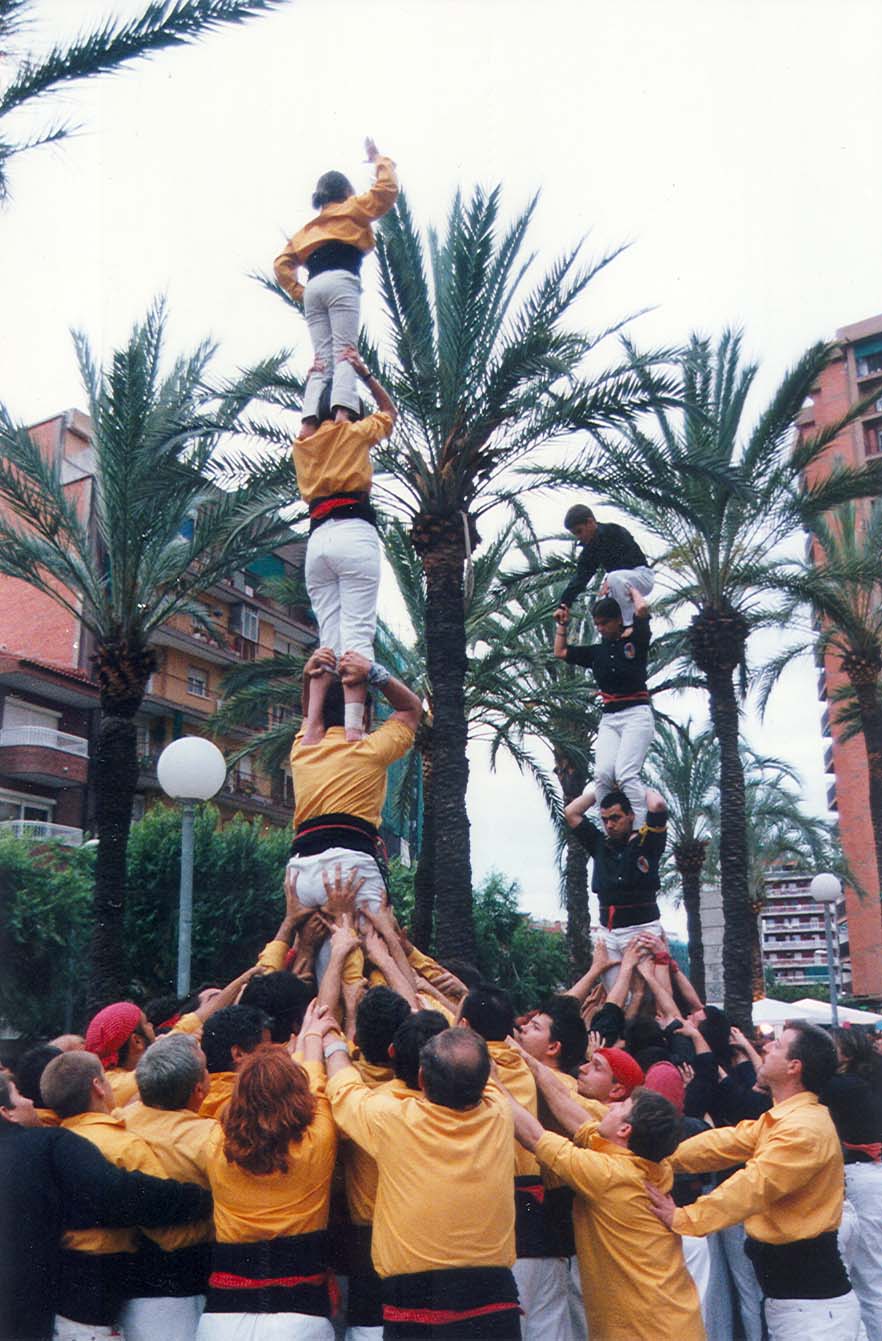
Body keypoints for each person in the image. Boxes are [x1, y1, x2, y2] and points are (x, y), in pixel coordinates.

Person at [648, 1020, 863, 1341]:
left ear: (794, 1067)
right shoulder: (785, 1119)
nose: (765, 1047)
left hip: (813, 1311)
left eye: (776, 1045)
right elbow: (725, 1143)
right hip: (801, 1304)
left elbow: (753, 1186)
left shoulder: (802, 1129)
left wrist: (685, 1217)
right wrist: (659, 1157)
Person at [322, 1016, 521, 1338]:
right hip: (495, 1301)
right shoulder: (499, 1111)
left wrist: (331, 1040)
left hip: (415, 1303)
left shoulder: (392, 1120)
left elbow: (344, 1088)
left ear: (421, 1079)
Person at [0, 1071, 211, 1341]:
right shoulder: (47, 1144)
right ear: (7, 1112)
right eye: (19, 1095)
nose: (30, 1101)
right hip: (70, 1308)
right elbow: (118, 1193)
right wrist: (204, 1200)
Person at [510, 1085, 703, 1341]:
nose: (611, 1106)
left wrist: (491, 1082)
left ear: (625, 1130)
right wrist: (527, 1059)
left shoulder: (610, 1175)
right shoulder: (652, 1163)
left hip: (646, 1332)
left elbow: (536, 1138)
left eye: (622, 1106)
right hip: (675, 1323)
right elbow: (578, 1121)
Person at [197, 1008, 338, 1340]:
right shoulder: (319, 1140)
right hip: (300, 1318)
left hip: (220, 1319)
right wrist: (311, 1036)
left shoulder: (216, 1144)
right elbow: (316, 1087)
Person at [286, 650, 421, 971]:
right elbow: (412, 708)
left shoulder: (302, 748)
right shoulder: (369, 750)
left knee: (309, 966)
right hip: (350, 868)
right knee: (375, 963)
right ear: (363, 714)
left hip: (301, 873)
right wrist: (374, 672)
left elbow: (311, 716)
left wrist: (310, 677)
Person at [292, 353, 398, 738]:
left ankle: (313, 726)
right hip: (354, 532)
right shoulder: (354, 433)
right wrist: (365, 374)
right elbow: (390, 412)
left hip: (317, 539)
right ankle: (354, 728)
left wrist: (315, 379)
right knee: (357, 635)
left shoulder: (303, 445)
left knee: (329, 641)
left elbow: (307, 421)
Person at [273, 139, 398, 430]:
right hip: (342, 279)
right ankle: (342, 413)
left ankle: (308, 422)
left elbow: (281, 264)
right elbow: (387, 190)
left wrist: (299, 292)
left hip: (314, 286)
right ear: (345, 192)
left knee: (322, 358)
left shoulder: (307, 230)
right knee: (345, 351)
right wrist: (378, 158)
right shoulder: (352, 207)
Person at [122, 1033, 217, 1341]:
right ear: (199, 1090)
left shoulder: (117, 1119)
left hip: (130, 1279)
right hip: (185, 1286)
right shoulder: (209, 1138)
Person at [554, 587, 654, 826]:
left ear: (618, 620)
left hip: (636, 714)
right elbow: (561, 651)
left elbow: (642, 609)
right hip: (610, 717)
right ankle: (610, 828)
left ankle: (639, 829)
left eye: (604, 623)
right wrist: (562, 625)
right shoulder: (597, 652)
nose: (600, 628)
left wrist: (628, 587)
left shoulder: (635, 641)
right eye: (596, 624)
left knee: (626, 773)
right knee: (602, 775)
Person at [564, 788, 669, 988]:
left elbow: (657, 806)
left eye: (615, 818)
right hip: (609, 933)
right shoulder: (600, 844)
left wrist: (633, 784)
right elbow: (571, 812)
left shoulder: (648, 842)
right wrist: (601, 787)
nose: (609, 825)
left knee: (647, 994)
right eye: (604, 820)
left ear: (631, 816)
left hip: (642, 930)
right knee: (615, 998)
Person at [825, 1026, 882, 1340]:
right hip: (874, 1175)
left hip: (861, 1180)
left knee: (868, 1279)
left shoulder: (839, 1086)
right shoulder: (870, 1080)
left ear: (844, 1054)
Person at [555, 504, 653, 627]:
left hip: (641, 576)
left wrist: (608, 579)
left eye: (579, 531)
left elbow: (630, 558)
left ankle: (629, 625)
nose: (579, 537)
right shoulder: (590, 549)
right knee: (603, 608)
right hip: (619, 582)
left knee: (614, 579)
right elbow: (580, 578)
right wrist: (563, 605)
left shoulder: (614, 531)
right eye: (576, 534)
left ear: (590, 522)